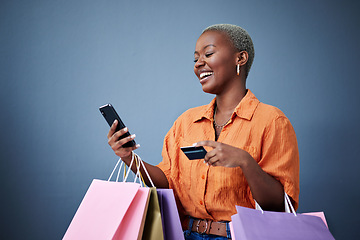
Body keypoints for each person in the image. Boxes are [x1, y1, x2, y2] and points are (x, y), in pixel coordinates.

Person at [107, 24, 299, 240]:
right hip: (185, 234)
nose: (199, 63)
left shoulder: (272, 121)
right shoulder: (186, 121)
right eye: (195, 58)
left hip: (242, 236)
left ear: (240, 58)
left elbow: (280, 205)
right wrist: (129, 158)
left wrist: (245, 161)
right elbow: (167, 183)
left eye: (208, 53)